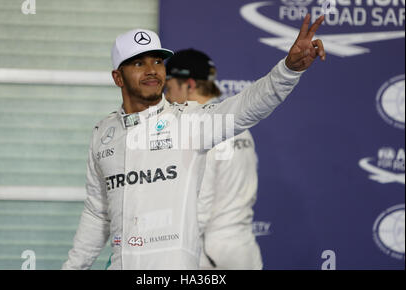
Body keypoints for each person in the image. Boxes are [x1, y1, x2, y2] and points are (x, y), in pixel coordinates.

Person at [62, 14, 326, 270]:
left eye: (157, 61)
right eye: (139, 63)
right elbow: (97, 214)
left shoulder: (189, 122)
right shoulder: (103, 133)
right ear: (118, 78)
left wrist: (288, 70)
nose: (152, 70)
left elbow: (247, 106)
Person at [164, 49, 263, 270]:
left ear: (188, 84)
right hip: (244, 250)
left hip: (209, 253)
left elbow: (201, 200)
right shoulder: (238, 126)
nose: (166, 96)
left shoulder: (201, 129)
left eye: (168, 85)